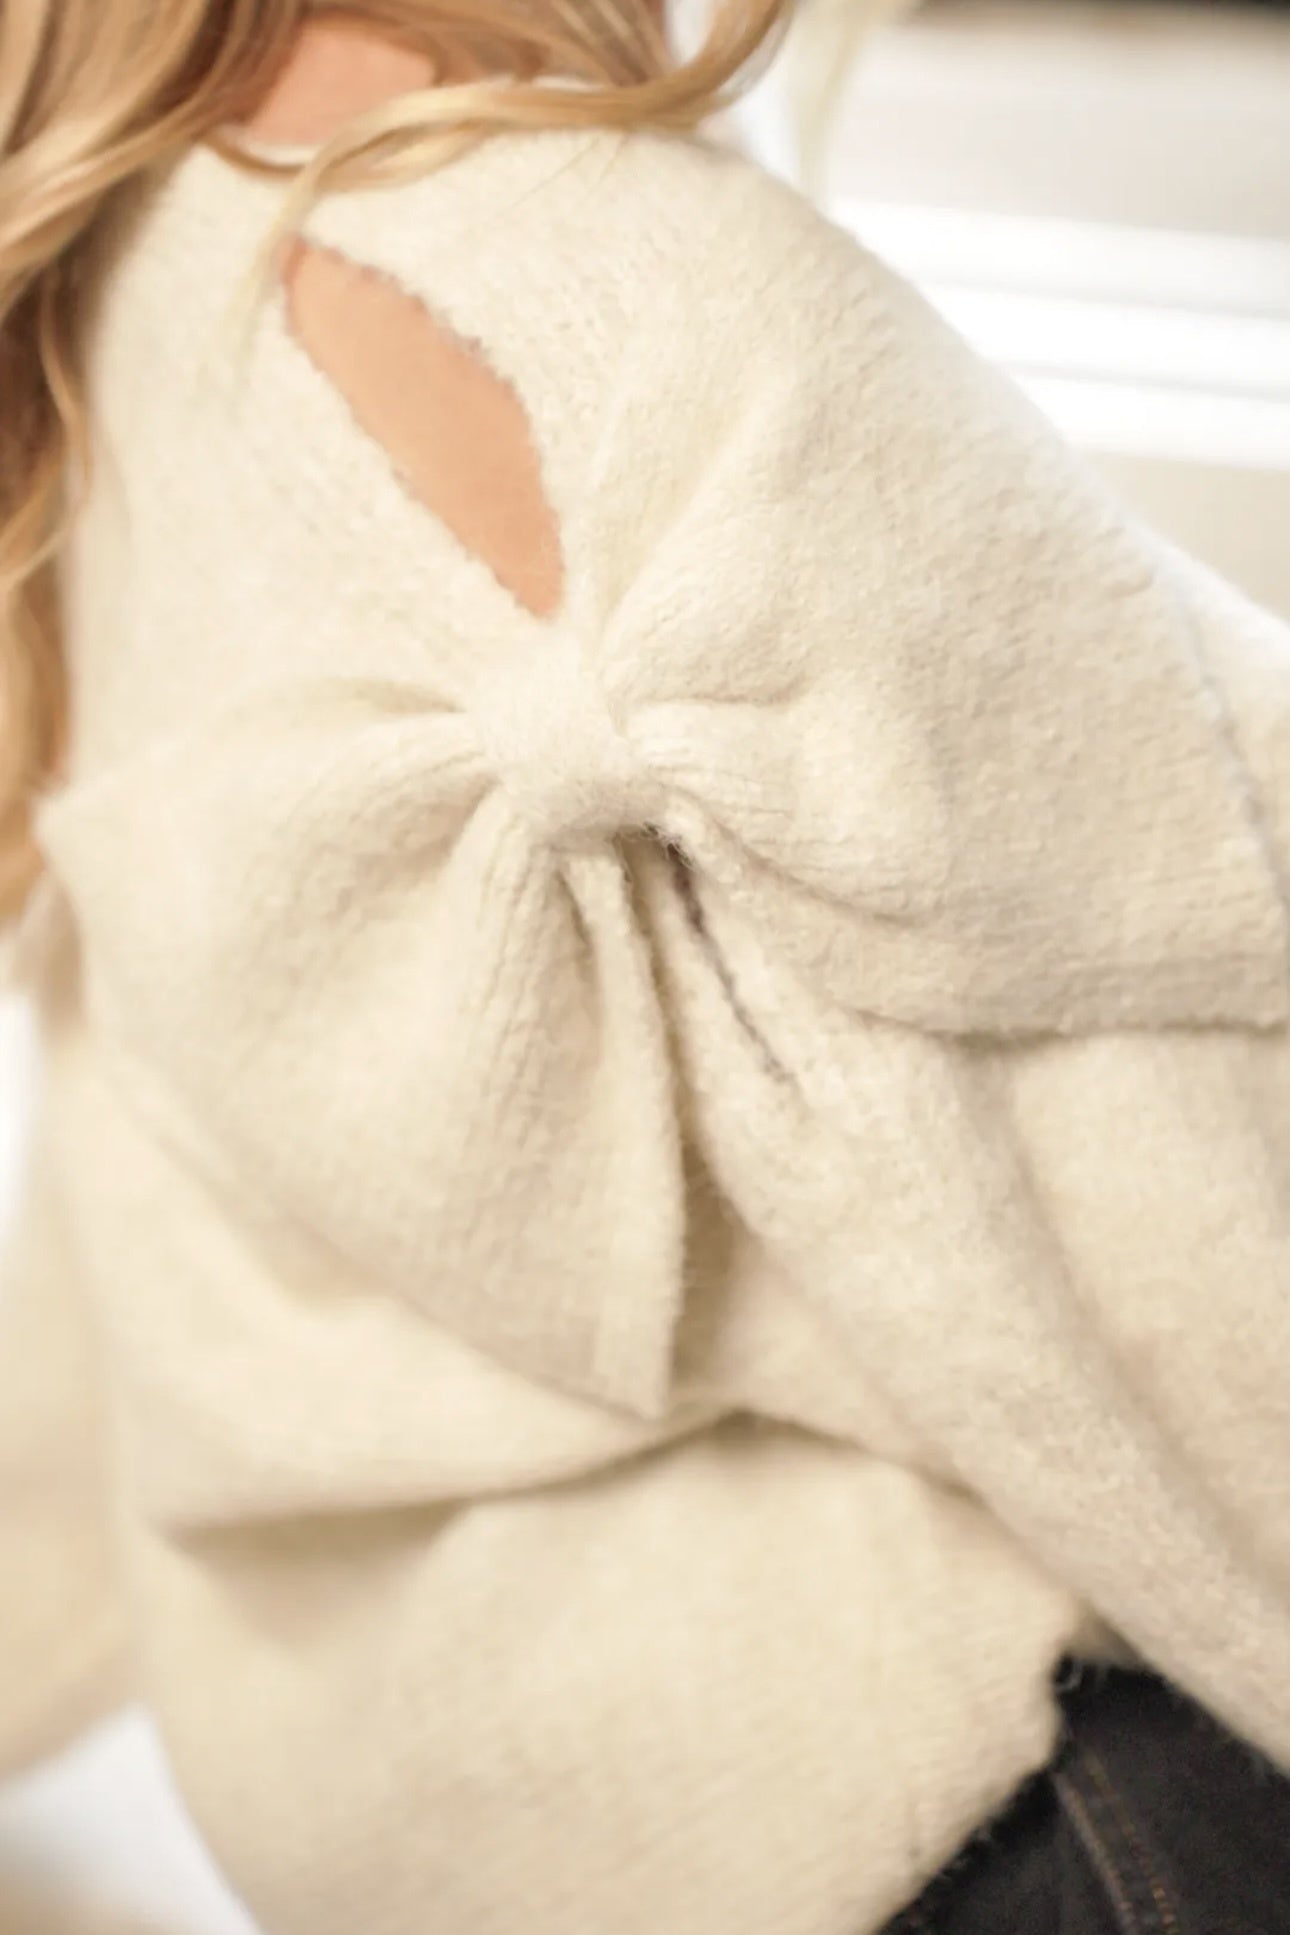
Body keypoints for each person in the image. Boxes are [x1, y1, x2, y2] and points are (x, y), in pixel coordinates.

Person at [2, 5, 1290, 1932]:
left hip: (504, 1839)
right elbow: (1144, 1185)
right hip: (1022, 1808)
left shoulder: (115, 292)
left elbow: (143, 1244)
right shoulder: (607, 281)